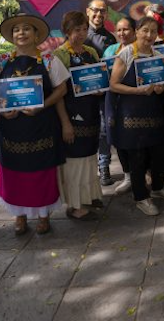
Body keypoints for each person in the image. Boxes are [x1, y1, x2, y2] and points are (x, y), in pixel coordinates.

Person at [0, 14, 69, 236]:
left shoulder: (50, 60)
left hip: (41, 124)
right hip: (11, 127)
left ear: (36, 35)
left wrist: (42, 106)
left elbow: (61, 90)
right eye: (16, 30)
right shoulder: (2, 60)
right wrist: (1, 109)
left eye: (26, 29)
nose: (21, 33)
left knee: (42, 171)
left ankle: (44, 216)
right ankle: (19, 216)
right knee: (14, 173)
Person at [108, 16, 164, 216]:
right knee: (137, 158)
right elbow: (114, 84)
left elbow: (162, 84)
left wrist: (158, 88)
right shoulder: (127, 54)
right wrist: (138, 90)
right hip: (130, 116)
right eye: (145, 30)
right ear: (137, 31)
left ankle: (157, 188)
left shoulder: (158, 56)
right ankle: (141, 197)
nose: (149, 35)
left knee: (158, 155)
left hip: (154, 115)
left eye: (153, 32)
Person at [53, 11, 104, 221]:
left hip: (91, 113)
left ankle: (89, 196)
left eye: (84, 29)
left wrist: (101, 88)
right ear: (66, 31)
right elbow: (58, 94)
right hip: (71, 115)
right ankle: (74, 205)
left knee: (90, 158)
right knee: (74, 162)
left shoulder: (91, 51)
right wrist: (65, 123)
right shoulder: (59, 55)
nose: (82, 34)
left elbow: (100, 79)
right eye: (77, 30)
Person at [84, 0, 117, 187]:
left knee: (104, 130)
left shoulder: (111, 38)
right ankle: (88, 168)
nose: (98, 15)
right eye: (95, 11)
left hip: (104, 93)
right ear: (88, 11)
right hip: (82, 95)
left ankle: (104, 166)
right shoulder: (78, 36)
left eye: (102, 11)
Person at [103, 17, 137, 195]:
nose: (122, 33)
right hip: (113, 99)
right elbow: (102, 76)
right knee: (118, 138)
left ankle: (142, 174)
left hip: (134, 101)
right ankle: (128, 176)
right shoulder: (110, 50)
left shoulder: (141, 50)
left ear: (134, 31)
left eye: (126, 29)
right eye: (119, 30)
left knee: (137, 138)